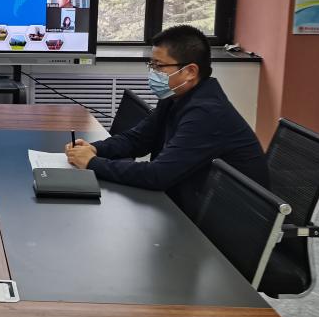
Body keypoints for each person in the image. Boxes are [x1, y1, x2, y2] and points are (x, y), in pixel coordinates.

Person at [66, 25, 269, 221]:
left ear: (190, 71)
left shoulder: (207, 113)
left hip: (224, 226)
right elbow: (138, 139)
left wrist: (92, 163)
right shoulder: (175, 97)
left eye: (159, 66)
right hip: (189, 203)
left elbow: (158, 175)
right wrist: (94, 148)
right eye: (151, 64)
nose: (153, 72)